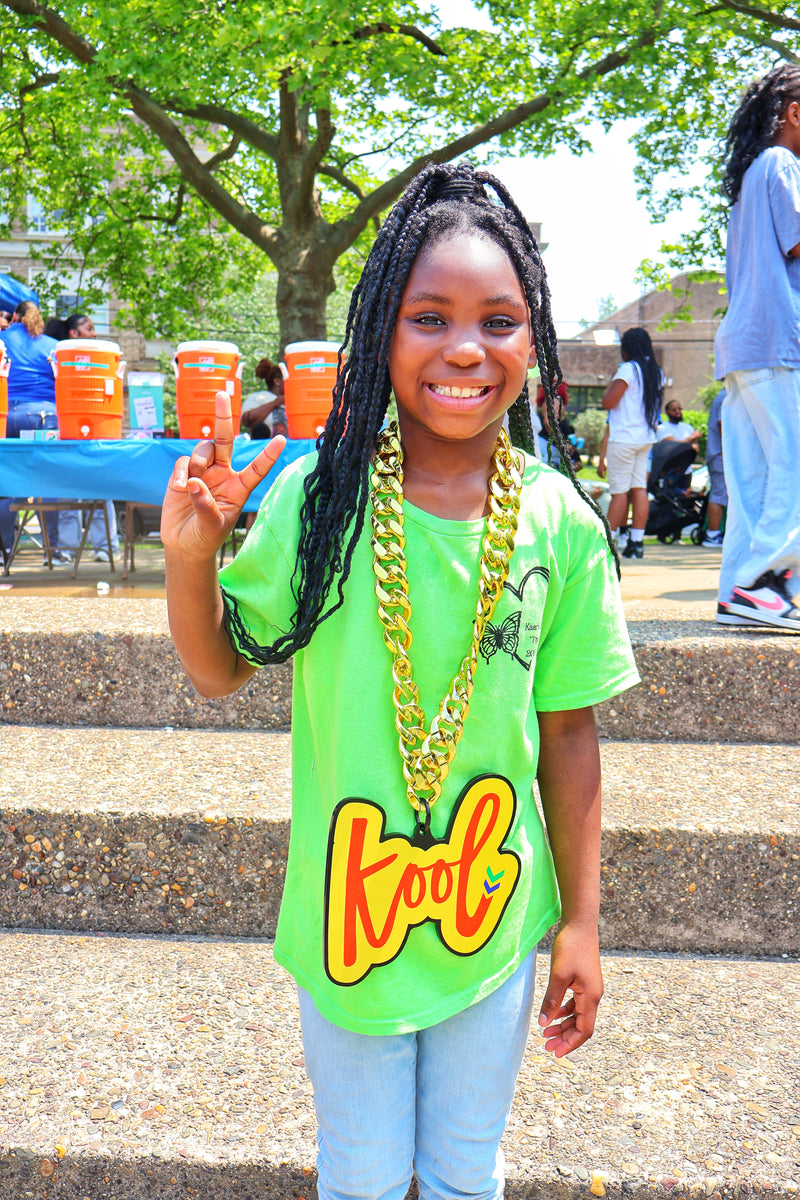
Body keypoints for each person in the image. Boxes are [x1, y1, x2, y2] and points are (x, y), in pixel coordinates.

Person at [161, 161, 639, 1200]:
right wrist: (193, 555)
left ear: (534, 341)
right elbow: (215, 672)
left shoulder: (555, 519)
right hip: (347, 918)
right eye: (428, 316)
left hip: (496, 914)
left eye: (499, 321)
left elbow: (567, 737)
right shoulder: (319, 498)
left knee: (466, 1173)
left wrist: (581, 926)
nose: (465, 347)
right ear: (379, 330)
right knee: (364, 1174)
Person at [713, 64, 800, 630]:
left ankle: (739, 596)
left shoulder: (749, 177)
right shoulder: (785, 164)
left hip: (743, 344)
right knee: (794, 468)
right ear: (795, 114)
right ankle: (762, 582)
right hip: (780, 339)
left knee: (753, 480)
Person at [0, 301, 71, 563]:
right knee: (47, 480)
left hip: (7, 416)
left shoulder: (2, 339)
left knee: (7, 483)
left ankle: (3, 551)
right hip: (44, 417)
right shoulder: (53, 345)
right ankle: (52, 551)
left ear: (15, 316)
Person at [54, 313, 119, 564]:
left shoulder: (102, 358)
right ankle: (70, 549)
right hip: (70, 435)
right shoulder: (64, 358)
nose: (94, 333)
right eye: (89, 328)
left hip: (99, 435)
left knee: (100, 491)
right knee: (70, 492)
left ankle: (105, 548)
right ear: (74, 333)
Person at [598, 327, 662, 559]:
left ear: (628, 348)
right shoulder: (656, 372)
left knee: (619, 492)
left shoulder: (628, 369)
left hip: (623, 438)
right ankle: (636, 543)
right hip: (644, 439)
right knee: (639, 490)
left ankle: (609, 544)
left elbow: (608, 402)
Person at [703, 389, 726, 547]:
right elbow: (722, 424)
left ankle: (715, 533)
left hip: (719, 453)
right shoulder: (725, 396)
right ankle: (712, 535)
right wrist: (727, 449)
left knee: (722, 495)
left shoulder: (725, 395)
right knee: (719, 495)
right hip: (720, 454)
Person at [240, 357, 286, 432]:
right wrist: (274, 404)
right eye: (286, 379)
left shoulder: (293, 399)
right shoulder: (258, 397)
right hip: (265, 443)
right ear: (277, 381)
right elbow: (246, 420)